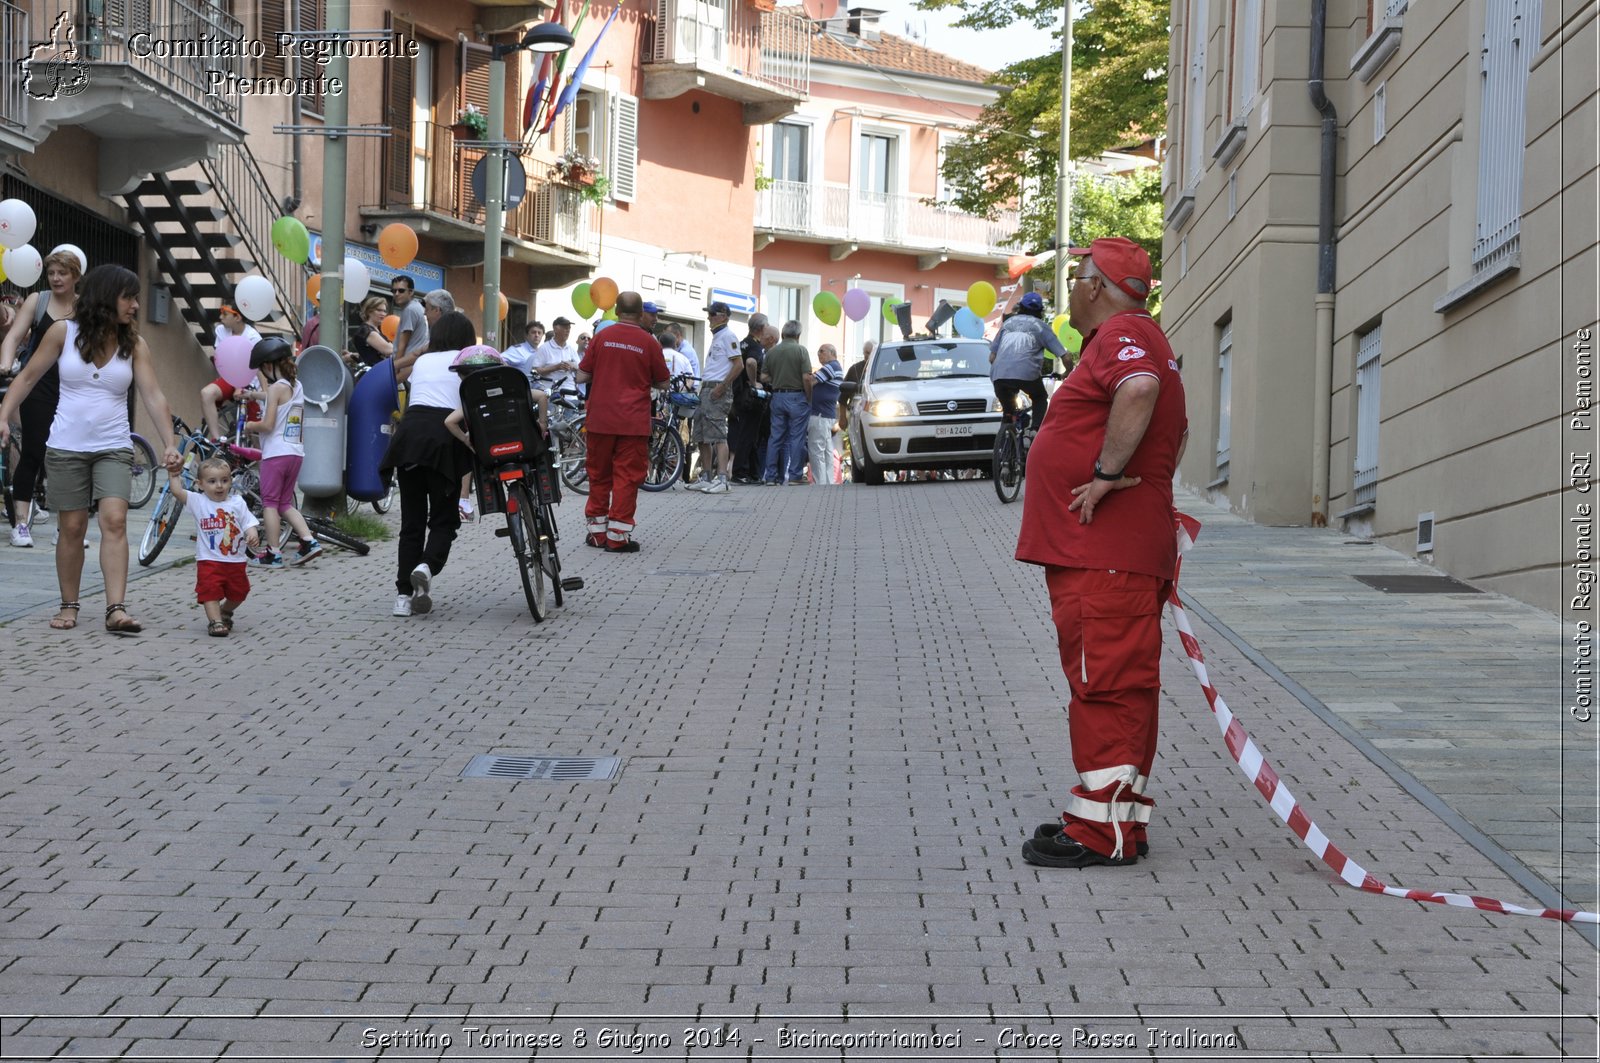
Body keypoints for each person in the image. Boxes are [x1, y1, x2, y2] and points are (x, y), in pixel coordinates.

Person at [1015, 237, 1188, 870]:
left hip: (1104, 557)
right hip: (1119, 554)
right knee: (1124, 687)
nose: (1070, 287)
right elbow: (1179, 427)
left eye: (1077, 276)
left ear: (1094, 287)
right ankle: (1114, 819)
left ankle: (1100, 834)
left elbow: (1138, 391)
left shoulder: (1123, 339)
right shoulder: (1142, 339)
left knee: (1104, 687)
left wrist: (1108, 472)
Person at [0, 264, 181, 634]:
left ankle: (116, 608)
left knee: (114, 520)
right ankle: (69, 605)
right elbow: (29, 376)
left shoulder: (135, 345)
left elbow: (153, 395)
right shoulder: (62, 333)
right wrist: (3, 416)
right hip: (66, 445)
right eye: (128, 297)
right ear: (106, 298)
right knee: (72, 526)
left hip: (113, 445)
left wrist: (170, 443)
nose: (134, 305)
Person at [382, 310, 477, 616]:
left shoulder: (422, 361)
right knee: (443, 520)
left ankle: (402, 598)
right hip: (442, 439)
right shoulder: (466, 361)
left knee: (411, 523)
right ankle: (426, 565)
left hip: (409, 437)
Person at [0, 248, 83, 546]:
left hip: (73, 387)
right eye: (52, 273)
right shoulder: (39, 300)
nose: (57, 278)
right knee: (35, 450)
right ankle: (21, 524)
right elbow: (13, 335)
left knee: (68, 455)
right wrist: (6, 363)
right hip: (38, 384)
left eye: (63, 273)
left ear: (75, 276)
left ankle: (66, 526)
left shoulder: (85, 307)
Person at [575, 292, 668, 551]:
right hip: (632, 421)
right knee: (627, 477)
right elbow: (663, 381)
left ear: (616, 311)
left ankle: (596, 533)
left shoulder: (602, 337)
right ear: (640, 314)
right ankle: (617, 535)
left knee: (598, 474)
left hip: (600, 418)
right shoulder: (649, 342)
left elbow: (582, 376)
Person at [242, 337, 322, 567]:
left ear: (268, 365)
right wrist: (253, 396)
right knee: (285, 503)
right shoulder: (296, 386)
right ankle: (308, 541)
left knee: (270, 503)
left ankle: (273, 554)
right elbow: (279, 404)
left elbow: (267, 425)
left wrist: (250, 425)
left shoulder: (276, 388)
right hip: (295, 452)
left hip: (276, 454)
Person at [169, 456, 259, 637]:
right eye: (212, 481)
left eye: (224, 481)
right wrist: (174, 475)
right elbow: (178, 492)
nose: (219, 486)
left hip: (235, 560)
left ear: (230, 481)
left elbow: (248, 522)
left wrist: (252, 533)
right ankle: (215, 622)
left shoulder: (237, 502)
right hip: (208, 559)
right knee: (210, 591)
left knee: (240, 592)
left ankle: (225, 611)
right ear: (200, 484)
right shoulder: (198, 501)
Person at [990, 291, 1067, 432]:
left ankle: (1006, 433)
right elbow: (1065, 356)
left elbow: (992, 357)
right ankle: (1034, 431)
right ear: (1040, 311)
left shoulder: (1008, 323)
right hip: (1027, 375)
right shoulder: (1041, 327)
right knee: (1040, 397)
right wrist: (1067, 372)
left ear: (1021, 307)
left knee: (1009, 409)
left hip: (999, 375)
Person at [684, 301, 739, 494]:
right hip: (707, 388)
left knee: (717, 433)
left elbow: (738, 364)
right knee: (701, 434)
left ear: (723, 315)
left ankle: (722, 478)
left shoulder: (728, 336)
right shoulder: (718, 337)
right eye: (709, 314)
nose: (709, 317)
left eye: (713, 314)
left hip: (716, 389)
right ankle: (707, 476)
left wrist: (722, 386)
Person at [200, 305, 263, 440]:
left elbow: (253, 367)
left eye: (224, 314)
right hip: (230, 377)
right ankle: (216, 441)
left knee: (255, 435)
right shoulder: (221, 331)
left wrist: (240, 386)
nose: (220, 317)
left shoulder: (253, 337)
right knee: (206, 393)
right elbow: (223, 359)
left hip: (249, 381)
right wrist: (235, 386)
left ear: (238, 317)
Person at [760, 320, 811, 486]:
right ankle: (795, 475)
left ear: (782, 334)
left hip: (778, 397)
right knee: (797, 437)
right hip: (797, 397)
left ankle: (770, 476)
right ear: (798, 335)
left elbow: (763, 377)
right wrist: (808, 396)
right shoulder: (801, 351)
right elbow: (806, 377)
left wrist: (779, 377)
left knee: (775, 437)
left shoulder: (772, 352)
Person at [728, 313, 768, 484]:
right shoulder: (754, 346)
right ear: (761, 328)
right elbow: (751, 362)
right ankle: (740, 472)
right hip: (749, 395)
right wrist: (754, 383)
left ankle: (751, 472)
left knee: (747, 432)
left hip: (738, 393)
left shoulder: (742, 343)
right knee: (748, 434)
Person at [804, 343, 843, 486]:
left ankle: (820, 484)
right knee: (826, 451)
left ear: (832, 353)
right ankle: (828, 482)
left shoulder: (830, 367)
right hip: (826, 415)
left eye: (822, 351)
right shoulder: (836, 367)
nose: (819, 354)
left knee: (816, 450)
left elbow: (810, 381)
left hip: (819, 415)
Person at [346, 295, 393, 368]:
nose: (383, 314)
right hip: (373, 372)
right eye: (379, 310)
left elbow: (370, 353)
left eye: (384, 311)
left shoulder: (375, 329)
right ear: (369, 311)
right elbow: (388, 350)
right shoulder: (366, 330)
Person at [390, 274, 429, 363]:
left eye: (401, 290)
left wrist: (395, 369)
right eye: (394, 291)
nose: (396, 294)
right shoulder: (417, 306)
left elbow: (402, 345)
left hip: (406, 364)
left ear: (411, 292)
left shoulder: (410, 310)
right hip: (414, 362)